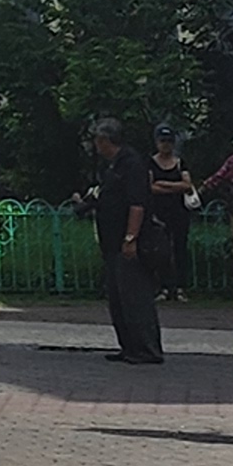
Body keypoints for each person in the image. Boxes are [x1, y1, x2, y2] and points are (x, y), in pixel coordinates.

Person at [92, 116, 163, 365]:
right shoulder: (113, 166)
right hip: (111, 242)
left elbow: (137, 204)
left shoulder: (132, 164)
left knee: (135, 296)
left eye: (97, 140)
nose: (95, 145)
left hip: (128, 242)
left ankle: (146, 348)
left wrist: (130, 238)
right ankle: (129, 347)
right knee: (118, 297)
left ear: (105, 139)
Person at [142, 124, 195, 302]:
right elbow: (150, 187)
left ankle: (180, 287)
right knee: (160, 250)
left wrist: (163, 184)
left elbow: (187, 185)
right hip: (158, 212)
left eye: (169, 141)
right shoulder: (150, 162)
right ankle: (163, 287)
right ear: (156, 142)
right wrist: (175, 187)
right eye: (162, 141)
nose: (166, 145)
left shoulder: (180, 162)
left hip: (179, 212)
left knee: (180, 248)